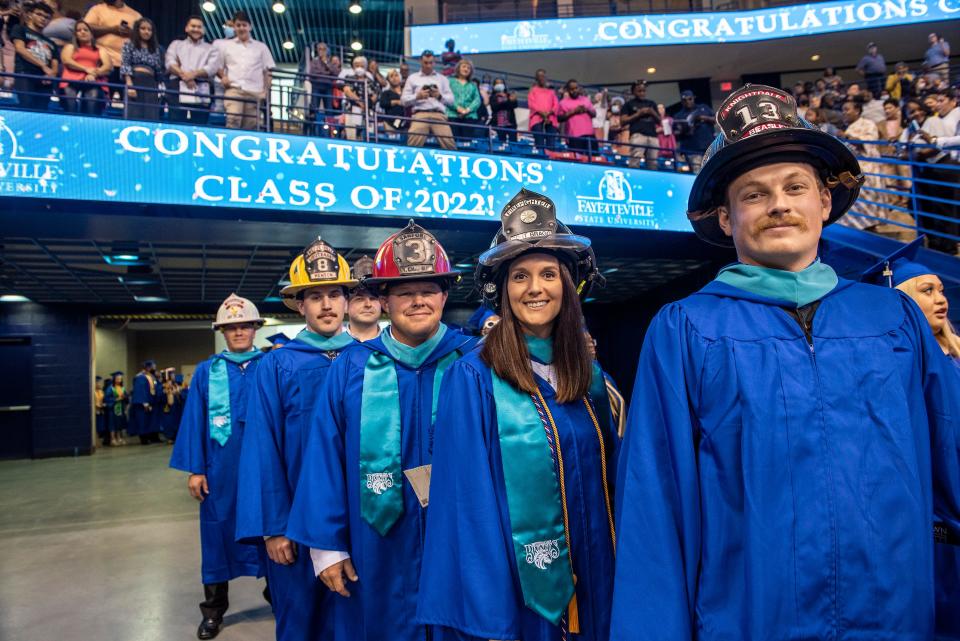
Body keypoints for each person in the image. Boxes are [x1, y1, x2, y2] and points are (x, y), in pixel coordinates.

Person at [610, 83, 960, 640]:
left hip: (898, 615)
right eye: (753, 194)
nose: (778, 204)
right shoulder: (687, 329)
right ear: (725, 219)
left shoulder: (895, 319)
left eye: (795, 187)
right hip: (749, 619)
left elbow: (951, 463)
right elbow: (657, 504)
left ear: (824, 201)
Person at [417, 189, 618, 641]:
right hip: (520, 588)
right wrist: (489, 608)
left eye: (549, 273)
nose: (535, 288)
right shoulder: (472, 377)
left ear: (568, 285)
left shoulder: (586, 374)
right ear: (503, 291)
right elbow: (465, 501)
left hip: (599, 571)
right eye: (520, 276)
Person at [285, 220, 474, 641]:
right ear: (385, 300)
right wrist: (326, 548)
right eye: (404, 292)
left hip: (462, 541)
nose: (418, 300)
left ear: (445, 294)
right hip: (376, 547)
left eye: (428, 289)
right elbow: (323, 458)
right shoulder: (353, 367)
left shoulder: (475, 362)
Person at [237, 238, 359, 641]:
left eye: (334, 294)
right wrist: (273, 527)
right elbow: (261, 449)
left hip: (360, 520)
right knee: (301, 620)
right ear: (300, 305)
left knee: (357, 619)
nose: (326, 304)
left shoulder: (369, 359)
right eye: (315, 296)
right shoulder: (276, 365)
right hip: (294, 524)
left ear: (346, 301)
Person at [859, 238, 960, 641]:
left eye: (941, 290)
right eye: (926, 291)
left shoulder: (954, 354)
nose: (941, 300)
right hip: (929, 518)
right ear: (897, 301)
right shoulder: (891, 363)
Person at [170, 293, 268, 641]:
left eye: (245, 325)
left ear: (255, 328)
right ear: (222, 332)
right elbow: (194, 420)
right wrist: (196, 469)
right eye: (231, 327)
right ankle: (214, 610)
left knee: (270, 530)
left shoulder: (270, 366)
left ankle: (278, 594)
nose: (239, 332)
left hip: (263, 469)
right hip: (220, 471)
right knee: (216, 536)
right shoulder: (207, 371)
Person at [218, 10, 274, 130]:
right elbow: (218, 66)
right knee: (232, 121)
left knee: (252, 127)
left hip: (255, 92)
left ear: (250, 27)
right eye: (238, 25)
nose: (241, 28)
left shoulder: (261, 47)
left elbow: (268, 71)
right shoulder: (226, 46)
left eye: (244, 25)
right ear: (234, 27)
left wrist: (265, 92)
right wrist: (223, 77)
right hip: (234, 90)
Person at [166, 15, 219, 125]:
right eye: (193, 26)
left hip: (202, 87)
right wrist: (185, 76)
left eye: (199, 27)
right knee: (175, 123)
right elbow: (169, 63)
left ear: (203, 30)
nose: (196, 29)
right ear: (186, 28)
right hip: (177, 86)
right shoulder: (176, 44)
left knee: (200, 124)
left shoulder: (211, 49)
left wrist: (192, 75)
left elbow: (212, 68)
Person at [401, 49, 456, 150]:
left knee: (450, 146)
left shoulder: (442, 79)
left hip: (439, 115)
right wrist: (417, 96)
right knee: (412, 145)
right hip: (420, 114)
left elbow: (452, 101)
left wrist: (439, 96)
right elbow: (403, 100)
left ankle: (454, 165)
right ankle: (409, 163)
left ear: (434, 62)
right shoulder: (412, 78)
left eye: (431, 63)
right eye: (426, 63)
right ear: (420, 61)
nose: (428, 65)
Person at [83, 0, 141, 93]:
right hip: (102, 62)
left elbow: (144, 36)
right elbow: (86, 28)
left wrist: (131, 33)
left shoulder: (135, 15)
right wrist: (112, 29)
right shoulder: (97, 9)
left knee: (124, 102)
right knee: (101, 98)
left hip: (127, 66)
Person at [10, 1, 57, 111]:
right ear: (30, 14)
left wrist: (51, 75)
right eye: (39, 14)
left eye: (47, 17)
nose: (43, 19)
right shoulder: (20, 29)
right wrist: (43, 66)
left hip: (45, 80)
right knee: (26, 106)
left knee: (42, 110)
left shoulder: (51, 42)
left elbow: (55, 63)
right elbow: (20, 49)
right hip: (26, 74)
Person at [59, 19, 109, 115]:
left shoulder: (100, 49)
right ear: (75, 34)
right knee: (70, 110)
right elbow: (67, 61)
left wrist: (95, 74)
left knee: (92, 108)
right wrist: (86, 69)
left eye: (85, 30)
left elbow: (108, 66)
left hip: (92, 81)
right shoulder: (70, 47)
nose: (82, 32)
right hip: (71, 81)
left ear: (91, 33)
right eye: (79, 30)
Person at [120, 17, 163, 121]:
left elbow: (158, 70)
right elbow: (125, 63)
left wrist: (160, 87)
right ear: (137, 30)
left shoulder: (156, 48)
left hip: (151, 84)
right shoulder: (129, 45)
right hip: (135, 80)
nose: (146, 32)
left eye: (149, 29)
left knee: (151, 115)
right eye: (143, 28)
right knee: (133, 114)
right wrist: (129, 84)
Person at [674, 89, 715, 173]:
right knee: (698, 173)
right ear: (682, 101)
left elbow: (716, 120)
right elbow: (675, 132)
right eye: (684, 100)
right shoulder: (678, 115)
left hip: (709, 147)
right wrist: (685, 128)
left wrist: (703, 118)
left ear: (693, 98)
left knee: (713, 170)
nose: (687, 101)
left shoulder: (703, 107)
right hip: (692, 149)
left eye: (690, 99)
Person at [621, 80, 660, 169]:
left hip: (653, 136)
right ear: (633, 92)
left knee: (653, 163)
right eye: (639, 91)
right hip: (638, 135)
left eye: (644, 91)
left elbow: (660, 121)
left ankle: (652, 181)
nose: (642, 93)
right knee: (635, 161)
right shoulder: (629, 104)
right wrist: (638, 114)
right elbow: (622, 121)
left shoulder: (651, 103)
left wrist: (652, 112)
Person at [337, 55, 376, 141]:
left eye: (362, 66)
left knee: (366, 137)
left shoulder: (370, 81)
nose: (359, 68)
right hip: (351, 111)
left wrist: (366, 105)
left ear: (365, 67)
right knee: (351, 137)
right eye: (357, 65)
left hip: (367, 112)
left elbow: (375, 95)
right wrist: (360, 103)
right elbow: (347, 91)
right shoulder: (349, 78)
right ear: (353, 67)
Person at [346, 255, 382, 342]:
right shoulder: (332, 347)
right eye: (359, 299)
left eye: (373, 298)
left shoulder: (396, 346)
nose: (368, 304)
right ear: (345, 303)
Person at [558, 78, 597, 155]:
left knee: (594, 157)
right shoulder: (563, 103)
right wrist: (573, 111)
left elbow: (594, 114)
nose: (575, 90)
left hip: (589, 134)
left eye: (576, 88)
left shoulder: (586, 100)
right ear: (568, 90)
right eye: (572, 89)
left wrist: (587, 110)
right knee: (577, 158)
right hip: (574, 135)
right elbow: (559, 118)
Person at [128, 359, 162, 444]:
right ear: (148, 367)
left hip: (152, 403)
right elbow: (140, 390)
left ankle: (153, 437)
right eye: (153, 367)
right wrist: (144, 402)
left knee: (151, 421)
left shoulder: (152, 377)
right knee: (142, 421)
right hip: (143, 404)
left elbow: (156, 388)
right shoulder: (140, 377)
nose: (155, 369)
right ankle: (144, 439)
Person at [447, 58, 481, 142]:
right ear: (458, 68)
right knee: (452, 142)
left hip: (469, 117)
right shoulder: (450, 81)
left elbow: (477, 100)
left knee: (467, 143)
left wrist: (467, 110)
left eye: (468, 68)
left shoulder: (473, 85)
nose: (466, 69)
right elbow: (447, 97)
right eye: (464, 66)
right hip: (452, 115)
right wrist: (457, 108)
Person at [308, 42, 338, 136]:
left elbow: (335, 73)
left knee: (329, 109)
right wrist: (327, 73)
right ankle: (314, 131)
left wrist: (326, 64)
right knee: (314, 108)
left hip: (327, 87)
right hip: (317, 86)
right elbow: (313, 73)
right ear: (317, 50)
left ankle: (330, 132)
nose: (321, 51)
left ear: (327, 50)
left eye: (323, 49)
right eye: (319, 49)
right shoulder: (314, 61)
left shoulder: (330, 62)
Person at [528, 68, 559, 150]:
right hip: (537, 118)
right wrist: (542, 113)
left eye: (543, 76)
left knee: (551, 143)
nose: (542, 78)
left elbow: (556, 104)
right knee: (539, 142)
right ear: (536, 78)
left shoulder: (551, 92)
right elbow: (532, 104)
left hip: (551, 118)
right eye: (539, 76)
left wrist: (549, 113)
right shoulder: (533, 91)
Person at [378, 69, 406, 140]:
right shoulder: (386, 93)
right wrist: (396, 102)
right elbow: (383, 103)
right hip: (390, 124)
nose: (394, 78)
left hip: (405, 124)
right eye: (391, 76)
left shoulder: (406, 92)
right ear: (388, 80)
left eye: (396, 75)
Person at [489, 77, 518, 143]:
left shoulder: (509, 95)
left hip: (510, 124)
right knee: (500, 143)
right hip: (498, 125)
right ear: (494, 85)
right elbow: (495, 107)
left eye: (501, 83)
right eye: (497, 83)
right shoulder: (492, 97)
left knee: (512, 143)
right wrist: (508, 101)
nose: (499, 84)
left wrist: (513, 100)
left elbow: (515, 105)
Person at [104, 370, 127, 445]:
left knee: (119, 423)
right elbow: (106, 398)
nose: (119, 380)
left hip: (121, 408)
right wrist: (115, 399)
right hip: (113, 408)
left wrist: (125, 397)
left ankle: (119, 438)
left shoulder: (122, 388)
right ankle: (113, 439)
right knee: (112, 424)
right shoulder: (110, 388)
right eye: (117, 379)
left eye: (120, 379)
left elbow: (126, 397)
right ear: (114, 379)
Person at [657, 103, 677, 169]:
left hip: (669, 149)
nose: (660, 110)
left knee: (670, 167)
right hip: (658, 149)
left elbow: (667, 130)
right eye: (658, 108)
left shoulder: (669, 119)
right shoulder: (653, 121)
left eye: (662, 108)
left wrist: (659, 129)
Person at [94, 376, 107, 446]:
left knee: (101, 427)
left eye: (99, 383)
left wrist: (104, 404)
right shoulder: (93, 392)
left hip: (101, 411)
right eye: (97, 383)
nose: (99, 384)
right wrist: (99, 406)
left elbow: (103, 399)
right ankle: (96, 441)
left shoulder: (101, 391)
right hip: (96, 411)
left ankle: (99, 440)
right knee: (96, 427)